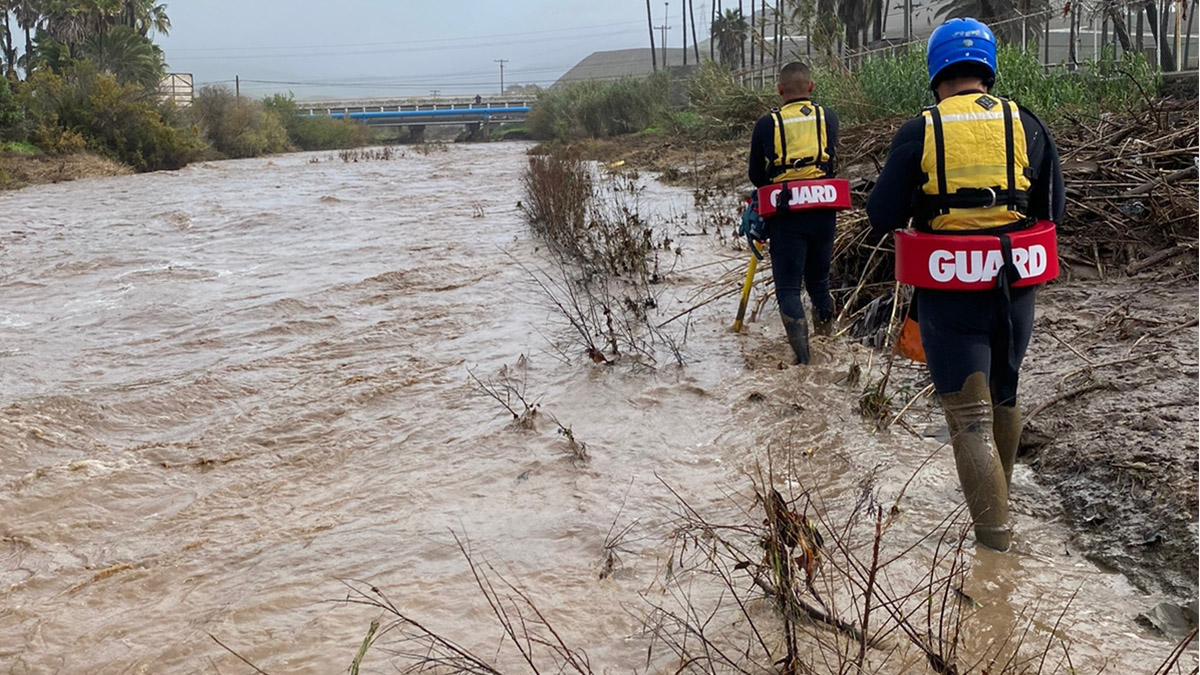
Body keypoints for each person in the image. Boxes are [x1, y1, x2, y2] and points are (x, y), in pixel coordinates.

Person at [866, 18, 1065, 551]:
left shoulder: (920, 129)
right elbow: (1053, 211)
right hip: (1015, 286)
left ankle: (994, 549)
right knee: (1004, 395)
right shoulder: (1027, 123)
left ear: (936, 71)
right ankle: (1002, 512)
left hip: (949, 290)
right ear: (988, 68)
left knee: (968, 420)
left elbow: (881, 215)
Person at [741, 61, 840, 365]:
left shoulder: (766, 124)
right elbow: (832, 163)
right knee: (820, 284)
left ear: (780, 90)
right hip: (824, 209)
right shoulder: (829, 117)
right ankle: (828, 346)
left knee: (788, 289)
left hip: (787, 214)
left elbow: (757, 175)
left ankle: (805, 361)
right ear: (811, 87)